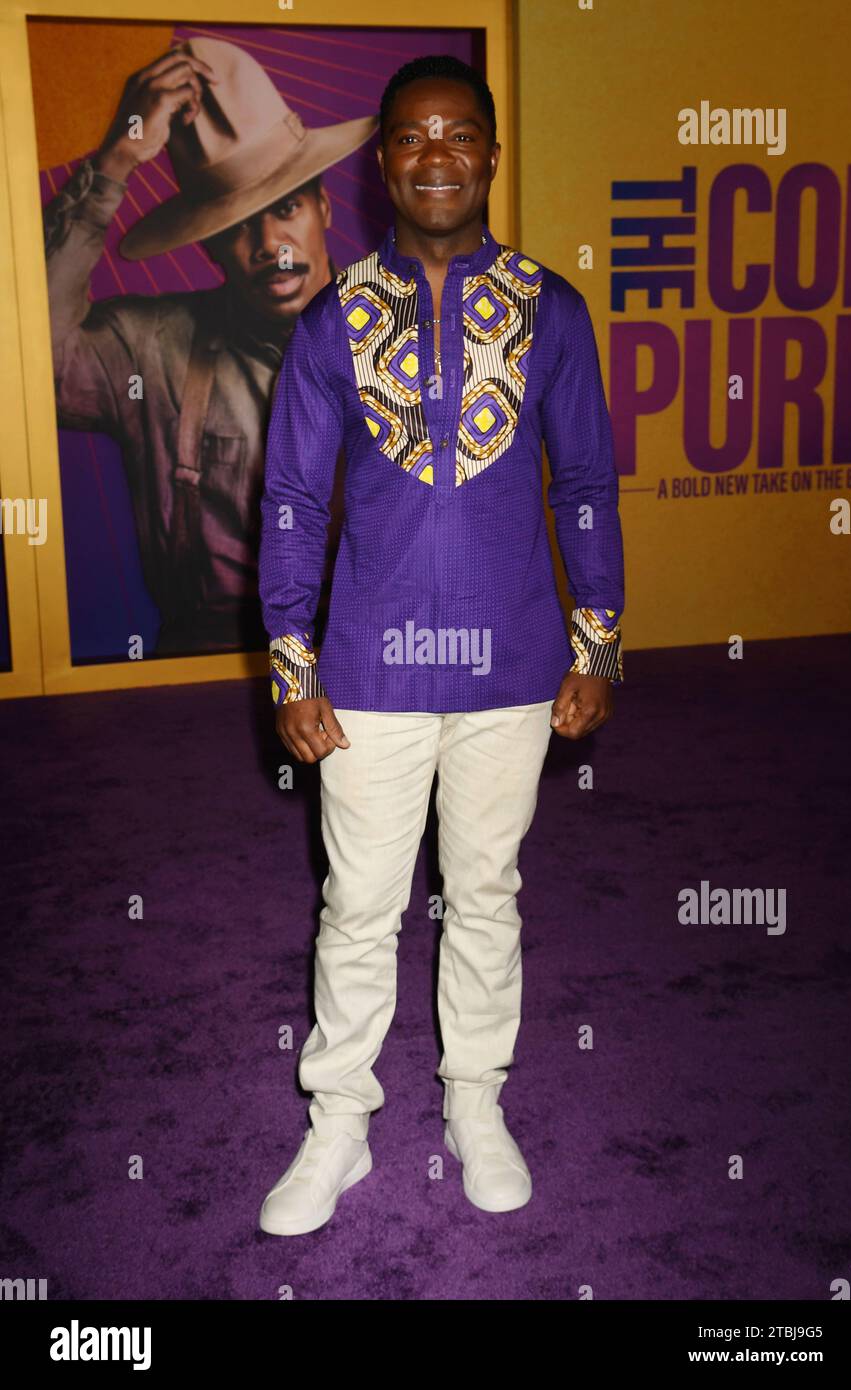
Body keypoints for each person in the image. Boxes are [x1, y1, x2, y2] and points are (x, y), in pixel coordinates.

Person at [258, 53, 625, 1235]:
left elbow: (585, 484)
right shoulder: (331, 322)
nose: (436, 156)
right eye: (412, 137)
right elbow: (295, 505)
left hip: (513, 666)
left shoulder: (550, 308)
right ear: (381, 162)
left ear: (493, 156)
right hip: (366, 671)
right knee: (358, 905)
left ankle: (476, 1102)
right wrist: (291, 665)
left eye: (459, 135)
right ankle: (341, 1126)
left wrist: (598, 642)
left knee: (485, 896)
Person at [43, 35, 376, 655]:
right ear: (207, 244)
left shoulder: (412, 337)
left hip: (378, 664)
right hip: (207, 675)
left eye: (287, 208)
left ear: (324, 209)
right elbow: (27, 365)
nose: (271, 243)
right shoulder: (148, 348)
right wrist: (116, 163)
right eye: (238, 224)